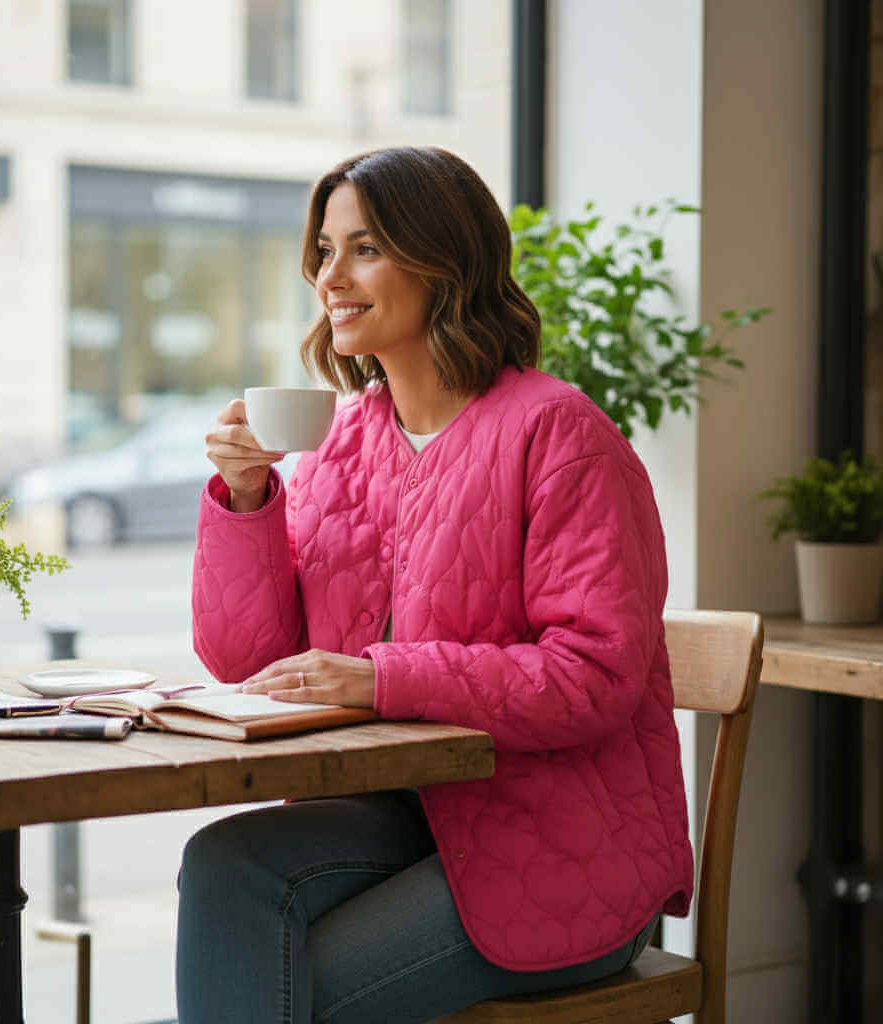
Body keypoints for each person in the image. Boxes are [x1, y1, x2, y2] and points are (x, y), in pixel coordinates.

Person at [177, 146, 692, 1024]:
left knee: (281, 991)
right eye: (324, 251)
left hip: (563, 841)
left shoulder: (559, 434)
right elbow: (251, 661)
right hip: (405, 817)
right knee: (226, 864)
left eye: (364, 247)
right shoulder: (347, 441)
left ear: (443, 260)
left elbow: (595, 675)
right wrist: (250, 499)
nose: (330, 275)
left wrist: (384, 676)